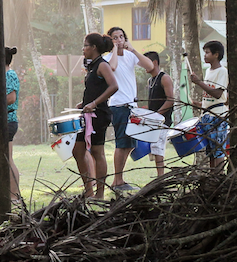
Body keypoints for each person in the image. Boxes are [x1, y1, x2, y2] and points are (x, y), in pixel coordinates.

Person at [107, 27, 153, 193]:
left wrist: (132, 49)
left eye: (121, 37)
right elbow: (112, 67)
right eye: (115, 37)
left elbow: (149, 66)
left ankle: (119, 179)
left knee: (129, 144)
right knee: (122, 143)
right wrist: (113, 48)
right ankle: (117, 180)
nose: (119, 40)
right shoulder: (108, 57)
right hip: (119, 105)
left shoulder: (130, 56)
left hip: (131, 105)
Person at [73, 33, 117, 199]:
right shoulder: (92, 66)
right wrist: (84, 103)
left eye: (85, 45)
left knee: (97, 152)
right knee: (78, 151)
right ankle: (89, 190)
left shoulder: (102, 65)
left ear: (94, 48)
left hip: (98, 115)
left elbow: (114, 86)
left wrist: (94, 103)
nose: (83, 49)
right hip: (87, 114)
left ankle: (99, 193)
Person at [189, 40, 228, 172]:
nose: (204, 55)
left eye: (207, 53)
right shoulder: (208, 71)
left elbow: (217, 94)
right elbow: (210, 97)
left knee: (218, 149)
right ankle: (212, 176)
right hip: (207, 115)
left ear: (216, 54)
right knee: (210, 150)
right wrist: (199, 104)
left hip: (218, 116)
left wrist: (198, 82)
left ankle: (219, 176)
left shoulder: (222, 72)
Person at [142, 51, 176, 178]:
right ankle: (159, 175)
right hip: (153, 120)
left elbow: (171, 100)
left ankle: (161, 177)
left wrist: (157, 114)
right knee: (153, 149)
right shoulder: (150, 80)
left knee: (158, 147)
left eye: (146, 62)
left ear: (154, 63)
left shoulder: (164, 78)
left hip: (162, 120)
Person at [5, 46, 20, 199]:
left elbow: (11, 98)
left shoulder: (10, 75)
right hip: (2, 121)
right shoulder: (4, 75)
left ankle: (14, 195)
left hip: (8, 120)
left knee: (8, 159)